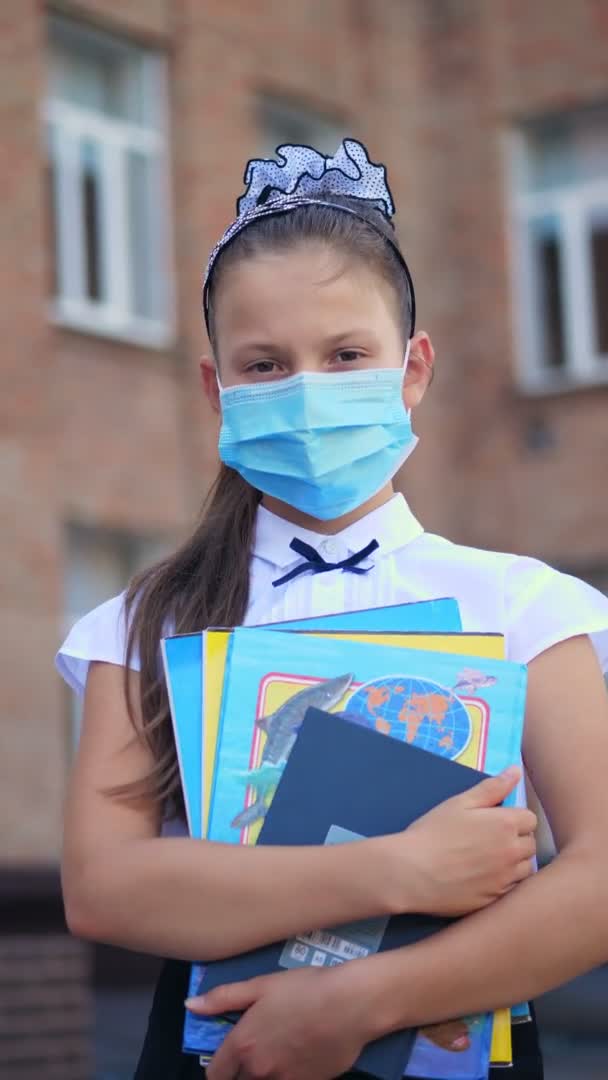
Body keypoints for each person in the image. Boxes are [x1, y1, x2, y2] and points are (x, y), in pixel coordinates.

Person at [57, 139, 608, 1080]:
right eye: (264, 366)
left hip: (457, 1044)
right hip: (217, 1050)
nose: (308, 389)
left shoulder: (524, 604)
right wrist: (396, 870)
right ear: (215, 389)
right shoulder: (147, 620)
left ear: (413, 368)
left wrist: (354, 1005)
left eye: (347, 354)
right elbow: (105, 889)